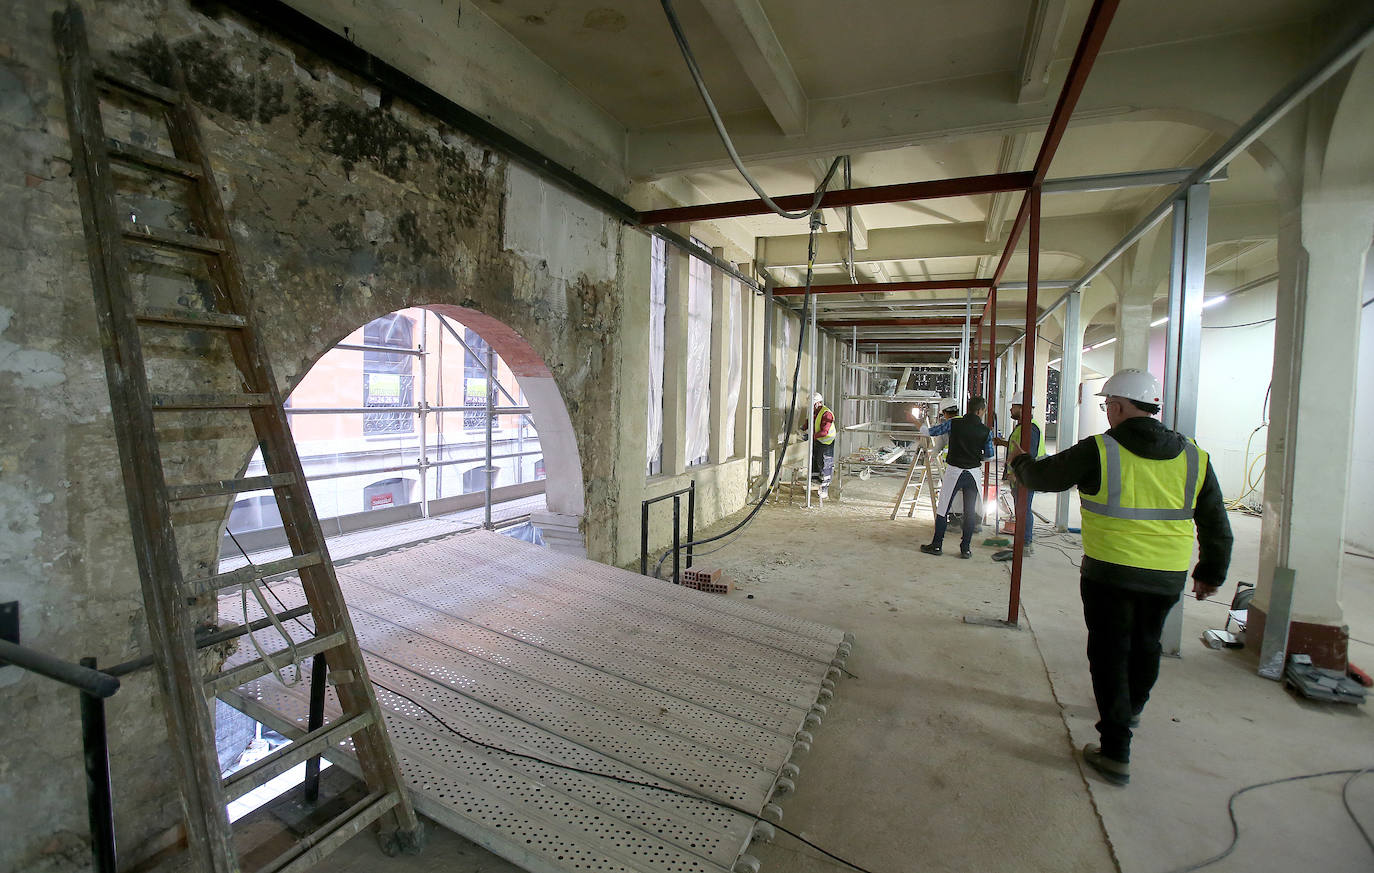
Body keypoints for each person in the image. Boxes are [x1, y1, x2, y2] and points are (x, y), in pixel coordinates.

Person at [1006, 369, 1232, 786]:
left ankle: (1115, 750)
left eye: (1107, 405)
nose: (1107, 412)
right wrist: (1211, 571)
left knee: (1110, 653)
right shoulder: (1194, 455)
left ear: (1119, 406)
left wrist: (1018, 459)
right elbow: (1216, 521)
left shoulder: (1101, 450)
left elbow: (1042, 477)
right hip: (1166, 576)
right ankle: (1131, 710)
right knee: (1146, 645)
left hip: (1111, 571)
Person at [918, 397, 994, 559]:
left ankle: (937, 545)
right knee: (970, 511)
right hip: (973, 474)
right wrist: (975, 456)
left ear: (968, 408)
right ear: (980, 411)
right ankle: (965, 549)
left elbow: (933, 432)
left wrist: (922, 427)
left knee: (943, 508)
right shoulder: (986, 431)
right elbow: (989, 456)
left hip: (954, 471)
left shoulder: (953, 424)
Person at [992, 400, 1044, 560]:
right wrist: (1003, 443)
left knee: (1024, 509)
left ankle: (1025, 544)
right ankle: (1022, 542)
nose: (1010, 409)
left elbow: (1030, 453)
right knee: (1021, 509)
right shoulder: (1022, 426)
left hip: (1026, 477)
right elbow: (1019, 447)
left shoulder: (1031, 428)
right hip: (1021, 476)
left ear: (1022, 408)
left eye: (1013, 406)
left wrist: (1018, 473)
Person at [800, 392, 835, 498]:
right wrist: (801, 429)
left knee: (825, 464)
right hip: (818, 440)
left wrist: (810, 437)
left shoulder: (826, 414)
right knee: (815, 461)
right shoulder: (814, 412)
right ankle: (816, 483)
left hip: (826, 442)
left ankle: (825, 489)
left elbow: (824, 432)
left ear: (817, 403)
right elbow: (808, 423)